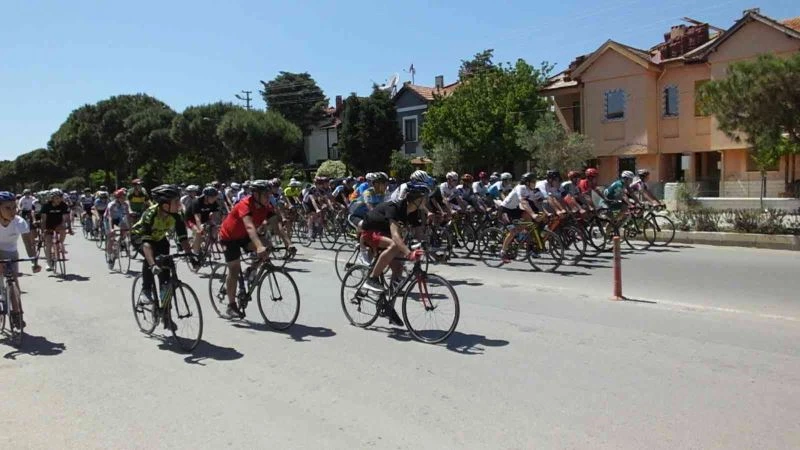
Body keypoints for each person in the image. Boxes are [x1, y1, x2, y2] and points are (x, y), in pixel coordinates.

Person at [359, 182, 429, 326]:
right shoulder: (395, 207)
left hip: (385, 235)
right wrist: (409, 253)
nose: (427, 200)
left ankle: (388, 307)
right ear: (417, 199)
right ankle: (372, 279)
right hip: (370, 232)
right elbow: (396, 237)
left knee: (398, 269)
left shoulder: (414, 212)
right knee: (395, 245)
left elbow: (419, 234)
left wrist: (429, 249)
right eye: (424, 198)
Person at [130, 185, 194, 321]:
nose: (179, 204)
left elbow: (183, 238)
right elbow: (146, 244)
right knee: (151, 259)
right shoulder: (150, 214)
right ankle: (146, 290)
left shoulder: (176, 215)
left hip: (159, 238)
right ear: (165, 205)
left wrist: (191, 256)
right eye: (176, 201)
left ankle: (165, 312)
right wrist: (153, 264)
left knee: (165, 274)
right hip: (140, 237)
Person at [217, 180, 274, 318]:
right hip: (229, 238)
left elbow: (276, 223)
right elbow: (249, 227)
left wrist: (288, 243)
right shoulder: (245, 204)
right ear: (256, 194)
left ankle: (250, 270)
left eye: (269, 194)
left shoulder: (265, 206)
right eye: (265, 194)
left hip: (243, 236)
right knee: (234, 269)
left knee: (268, 246)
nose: (268, 197)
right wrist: (258, 246)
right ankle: (231, 306)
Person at [0, 191, 41, 329]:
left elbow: (28, 244)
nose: (12, 211)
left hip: (10, 251)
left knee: (13, 279)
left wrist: (34, 262)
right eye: (7, 208)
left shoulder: (19, 222)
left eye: (14, 207)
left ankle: (17, 313)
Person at [499, 173, 545, 263]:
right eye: (533, 181)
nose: (535, 183)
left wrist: (542, 213)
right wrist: (533, 214)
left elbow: (535, 203)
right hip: (505, 210)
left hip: (515, 210)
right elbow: (523, 202)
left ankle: (526, 244)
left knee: (529, 222)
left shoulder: (530, 190)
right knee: (513, 231)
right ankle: (503, 252)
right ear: (527, 182)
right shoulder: (520, 188)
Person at [40, 189, 73, 271]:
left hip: (58, 224)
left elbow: (67, 218)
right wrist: (43, 231)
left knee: (63, 229)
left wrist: (69, 228)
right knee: (48, 243)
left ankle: (60, 243)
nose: (59, 200)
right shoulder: (46, 206)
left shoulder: (63, 205)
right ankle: (48, 262)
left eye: (60, 198)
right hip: (48, 225)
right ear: (52, 198)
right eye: (57, 198)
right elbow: (43, 220)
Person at [104, 189, 131, 269]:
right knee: (111, 237)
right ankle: (109, 256)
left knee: (125, 228)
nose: (124, 198)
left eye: (125, 197)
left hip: (118, 219)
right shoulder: (112, 205)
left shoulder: (125, 204)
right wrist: (111, 229)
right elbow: (110, 217)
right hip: (108, 219)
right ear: (117, 198)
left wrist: (130, 227)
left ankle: (121, 242)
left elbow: (127, 216)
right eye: (122, 197)